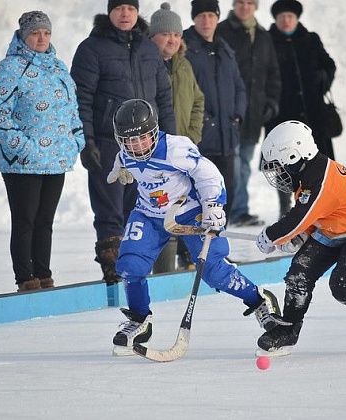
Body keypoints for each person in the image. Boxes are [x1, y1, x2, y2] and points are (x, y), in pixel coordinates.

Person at [106, 99, 285, 355]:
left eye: (143, 138)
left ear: (154, 131)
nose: (137, 146)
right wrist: (121, 167)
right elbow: (123, 158)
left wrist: (213, 205)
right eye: (129, 141)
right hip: (148, 213)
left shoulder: (175, 148)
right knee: (130, 266)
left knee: (213, 271)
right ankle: (139, 320)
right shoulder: (126, 152)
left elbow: (207, 173)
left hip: (189, 213)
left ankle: (259, 300)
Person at [254, 120, 346, 353]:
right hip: (333, 227)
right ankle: (288, 329)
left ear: (294, 156)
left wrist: (271, 236)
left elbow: (300, 216)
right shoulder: (307, 176)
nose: (277, 173)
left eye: (279, 166)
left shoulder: (320, 180)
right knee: (299, 274)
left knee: (345, 288)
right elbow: (311, 215)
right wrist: (301, 235)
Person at [70, 0, 176, 284]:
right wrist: (86, 141)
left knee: (141, 208)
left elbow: (163, 98)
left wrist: (171, 141)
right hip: (108, 143)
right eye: (119, 8)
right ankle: (115, 273)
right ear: (110, 12)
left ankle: (137, 269)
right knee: (110, 212)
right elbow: (81, 100)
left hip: (145, 145)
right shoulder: (91, 49)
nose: (125, 13)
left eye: (130, 8)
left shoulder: (147, 49)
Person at [0, 11, 85, 292]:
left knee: (45, 222)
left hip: (55, 160)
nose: (41, 38)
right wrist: (23, 147)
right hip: (23, 163)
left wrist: (76, 140)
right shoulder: (9, 68)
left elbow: (72, 110)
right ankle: (26, 279)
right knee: (25, 221)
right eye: (35, 33)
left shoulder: (57, 67)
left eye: (46, 33)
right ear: (23, 36)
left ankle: (44, 275)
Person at [266, 0, 336, 219]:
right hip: (282, 114)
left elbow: (329, 65)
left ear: (296, 19)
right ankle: (286, 205)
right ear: (276, 20)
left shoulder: (310, 39)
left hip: (313, 113)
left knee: (318, 158)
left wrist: (321, 78)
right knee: (283, 162)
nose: (286, 21)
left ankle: (323, 201)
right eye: (282, 17)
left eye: (290, 17)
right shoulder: (267, 42)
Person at [148, 2, 205, 272]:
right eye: (166, 34)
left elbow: (198, 101)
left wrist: (191, 137)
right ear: (152, 37)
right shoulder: (145, 64)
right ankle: (160, 268)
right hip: (154, 151)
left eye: (176, 34)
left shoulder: (184, 65)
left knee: (185, 204)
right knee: (160, 207)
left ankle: (189, 259)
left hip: (181, 150)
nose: (172, 39)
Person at [217, 0, 281, 228]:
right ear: (234, 5)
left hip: (254, 115)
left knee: (243, 164)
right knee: (231, 165)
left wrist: (271, 102)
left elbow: (273, 73)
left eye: (249, 3)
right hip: (230, 112)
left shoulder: (263, 36)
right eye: (240, 2)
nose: (245, 7)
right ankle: (232, 210)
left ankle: (238, 211)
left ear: (255, 7)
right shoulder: (222, 31)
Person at [183, 0, 247, 221]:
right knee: (198, 196)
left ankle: (215, 247)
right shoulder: (185, 48)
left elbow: (239, 86)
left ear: (218, 18)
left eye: (211, 15)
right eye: (201, 16)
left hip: (226, 137)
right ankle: (191, 252)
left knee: (225, 192)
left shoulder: (224, 48)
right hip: (201, 139)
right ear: (194, 18)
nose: (206, 20)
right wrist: (200, 121)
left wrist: (237, 116)